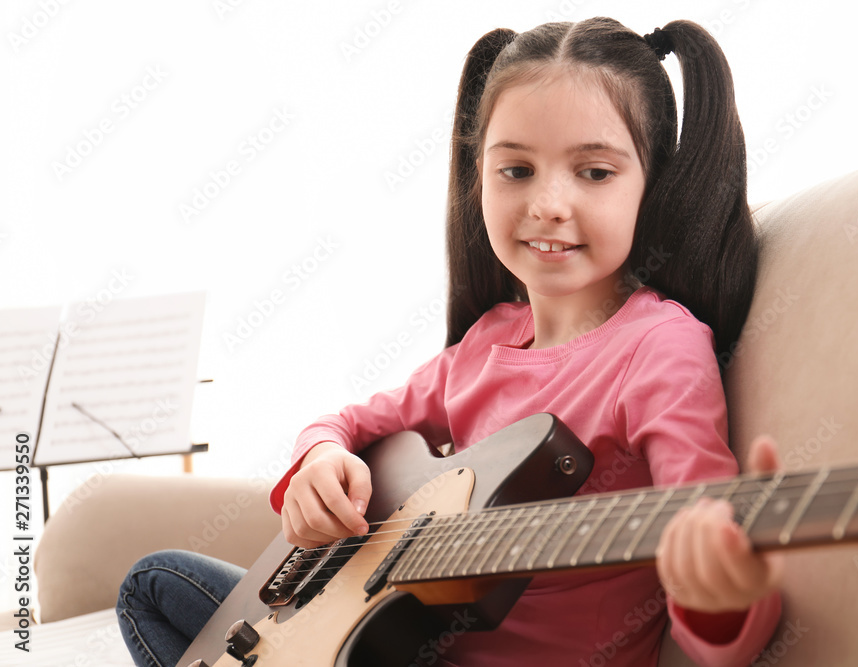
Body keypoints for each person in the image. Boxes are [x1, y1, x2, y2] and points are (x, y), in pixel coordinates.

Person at [118, 16, 783, 667]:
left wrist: (719, 593)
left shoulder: (660, 345)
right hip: (384, 642)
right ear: (477, 178)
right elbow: (346, 422)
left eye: (595, 172)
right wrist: (318, 459)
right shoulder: (486, 339)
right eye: (516, 170)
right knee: (153, 583)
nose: (549, 202)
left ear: (655, 184)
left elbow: (707, 538)